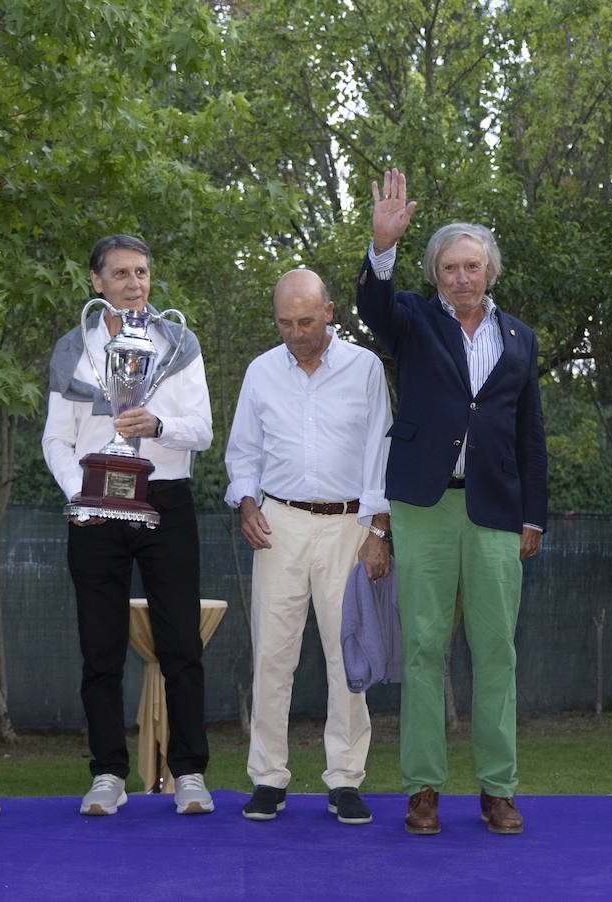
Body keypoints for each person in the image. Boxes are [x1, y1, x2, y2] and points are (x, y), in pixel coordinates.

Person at [358, 169, 547, 836]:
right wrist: (382, 247)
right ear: (434, 272)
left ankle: (498, 790)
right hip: (422, 509)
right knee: (423, 650)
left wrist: (534, 515)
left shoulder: (520, 338)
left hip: (497, 512)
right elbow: (372, 308)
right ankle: (423, 790)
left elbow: (530, 433)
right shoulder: (409, 318)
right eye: (449, 266)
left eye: (472, 265)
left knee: (497, 651)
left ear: (489, 270)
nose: (461, 277)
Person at [42, 234, 215, 817]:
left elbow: (204, 430)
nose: (134, 283)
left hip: (165, 501)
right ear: (96, 282)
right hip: (95, 507)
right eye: (120, 273)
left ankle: (189, 772)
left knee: (181, 645)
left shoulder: (178, 342)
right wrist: (81, 494)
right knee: (100, 649)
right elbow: (57, 439)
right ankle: (108, 774)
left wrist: (159, 424)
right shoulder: (72, 349)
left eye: (142, 272)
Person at [224, 268, 393, 826]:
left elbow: (380, 455)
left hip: (349, 527)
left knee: (348, 653)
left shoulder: (365, 368)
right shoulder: (260, 372)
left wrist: (377, 532)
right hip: (278, 524)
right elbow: (243, 450)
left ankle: (345, 780)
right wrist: (247, 504)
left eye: (305, 320)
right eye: (284, 322)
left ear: (330, 312)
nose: (295, 333)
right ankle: (268, 780)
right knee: (272, 654)